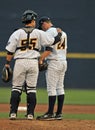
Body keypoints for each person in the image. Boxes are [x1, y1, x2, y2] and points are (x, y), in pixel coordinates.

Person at [5, 10, 62, 120]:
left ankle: (13, 113)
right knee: (31, 89)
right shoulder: (39, 33)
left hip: (20, 61)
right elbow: (53, 41)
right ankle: (30, 114)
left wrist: (7, 64)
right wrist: (59, 33)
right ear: (32, 20)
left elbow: (10, 51)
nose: (35, 22)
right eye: (34, 20)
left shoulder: (16, 33)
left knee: (16, 88)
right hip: (33, 62)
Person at [36, 16, 67, 120]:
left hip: (54, 62)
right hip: (63, 62)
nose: (42, 29)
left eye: (42, 26)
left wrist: (40, 59)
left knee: (51, 88)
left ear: (44, 23)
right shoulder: (63, 32)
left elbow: (49, 49)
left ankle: (50, 113)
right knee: (60, 87)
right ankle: (59, 113)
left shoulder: (49, 32)